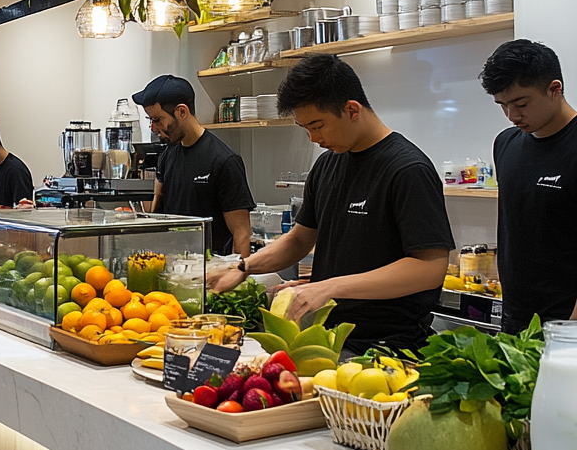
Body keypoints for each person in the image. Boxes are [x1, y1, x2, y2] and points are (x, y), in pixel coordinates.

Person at [212, 55, 455, 354]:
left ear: (352, 109)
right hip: (327, 338)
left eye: (318, 126)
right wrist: (243, 267)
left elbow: (429, 268)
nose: (314, 138)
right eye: (306, 129)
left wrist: (329, 286)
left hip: (386, 347)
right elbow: (300, 238)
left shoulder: (407, 169)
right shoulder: (327, 165)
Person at [479, 39, 577, 333]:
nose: (512, 116)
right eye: (502, 105)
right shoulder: (505, 143)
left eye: (521, 103)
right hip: (515, 321)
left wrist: (569, 333)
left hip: (567, 324)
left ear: (554, 88)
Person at [133, 75, 253, 257]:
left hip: (210, 271)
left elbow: (242, 233)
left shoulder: (224, 160)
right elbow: (158, 211)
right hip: (173, 266)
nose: (153, 127)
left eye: (157, 119)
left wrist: (234, 275)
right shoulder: (167, 155)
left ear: (182, 112)